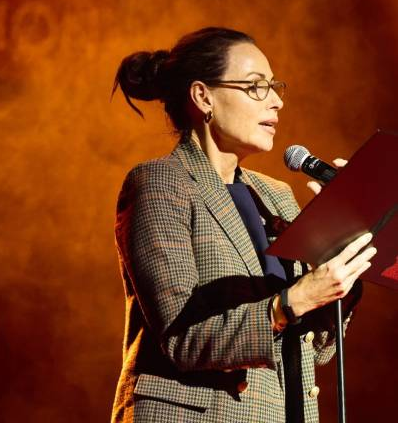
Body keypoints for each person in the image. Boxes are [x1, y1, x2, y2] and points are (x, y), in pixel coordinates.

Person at [110, 27, 375, 423]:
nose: (276, 101)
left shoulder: (277, 196)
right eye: (256, 87)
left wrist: (338, 244)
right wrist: (292, 301)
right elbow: (184, 339)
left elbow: (316, 347)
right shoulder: (162, 183)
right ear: (203, 97)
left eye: (274, 87)